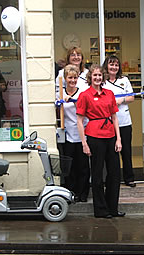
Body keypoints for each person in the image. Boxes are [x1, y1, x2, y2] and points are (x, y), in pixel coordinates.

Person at [76, 64, 125, 218]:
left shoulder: (109, 93)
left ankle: (113, 208)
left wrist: (119, 138)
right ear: (90, 77)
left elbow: (115, 117)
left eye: (99, 75)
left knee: (115, 173)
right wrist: (84, 143)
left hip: (110, 135)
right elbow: (79, 120)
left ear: (103, 77)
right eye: (94, 75)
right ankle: (101, 210)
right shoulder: (84, 95)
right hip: (94, 136)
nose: (97, 78)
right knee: (97, 175)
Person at [56, 64, 90, 202]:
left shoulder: (82, 93)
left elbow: (86, 111)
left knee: (83, 165)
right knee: (70, 166)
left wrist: (76, 102)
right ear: (65, 78)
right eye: (70, 78)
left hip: (82, 133)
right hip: (67, 134)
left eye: (75, 78)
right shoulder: (60, 93)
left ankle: (83, 193)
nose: (72, 80)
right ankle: (71, 192)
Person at [102, 55, 136, 187]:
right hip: (108, 123)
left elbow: (132, 97)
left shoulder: (124, 80)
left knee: (126, 151)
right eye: (111, 64)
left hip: (124, 121)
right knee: (110, 153)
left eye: (116, 65)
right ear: (106, 66)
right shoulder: (103, 81)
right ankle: (112, 179)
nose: (114, 67)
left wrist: (121, 100)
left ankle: (129, 178)